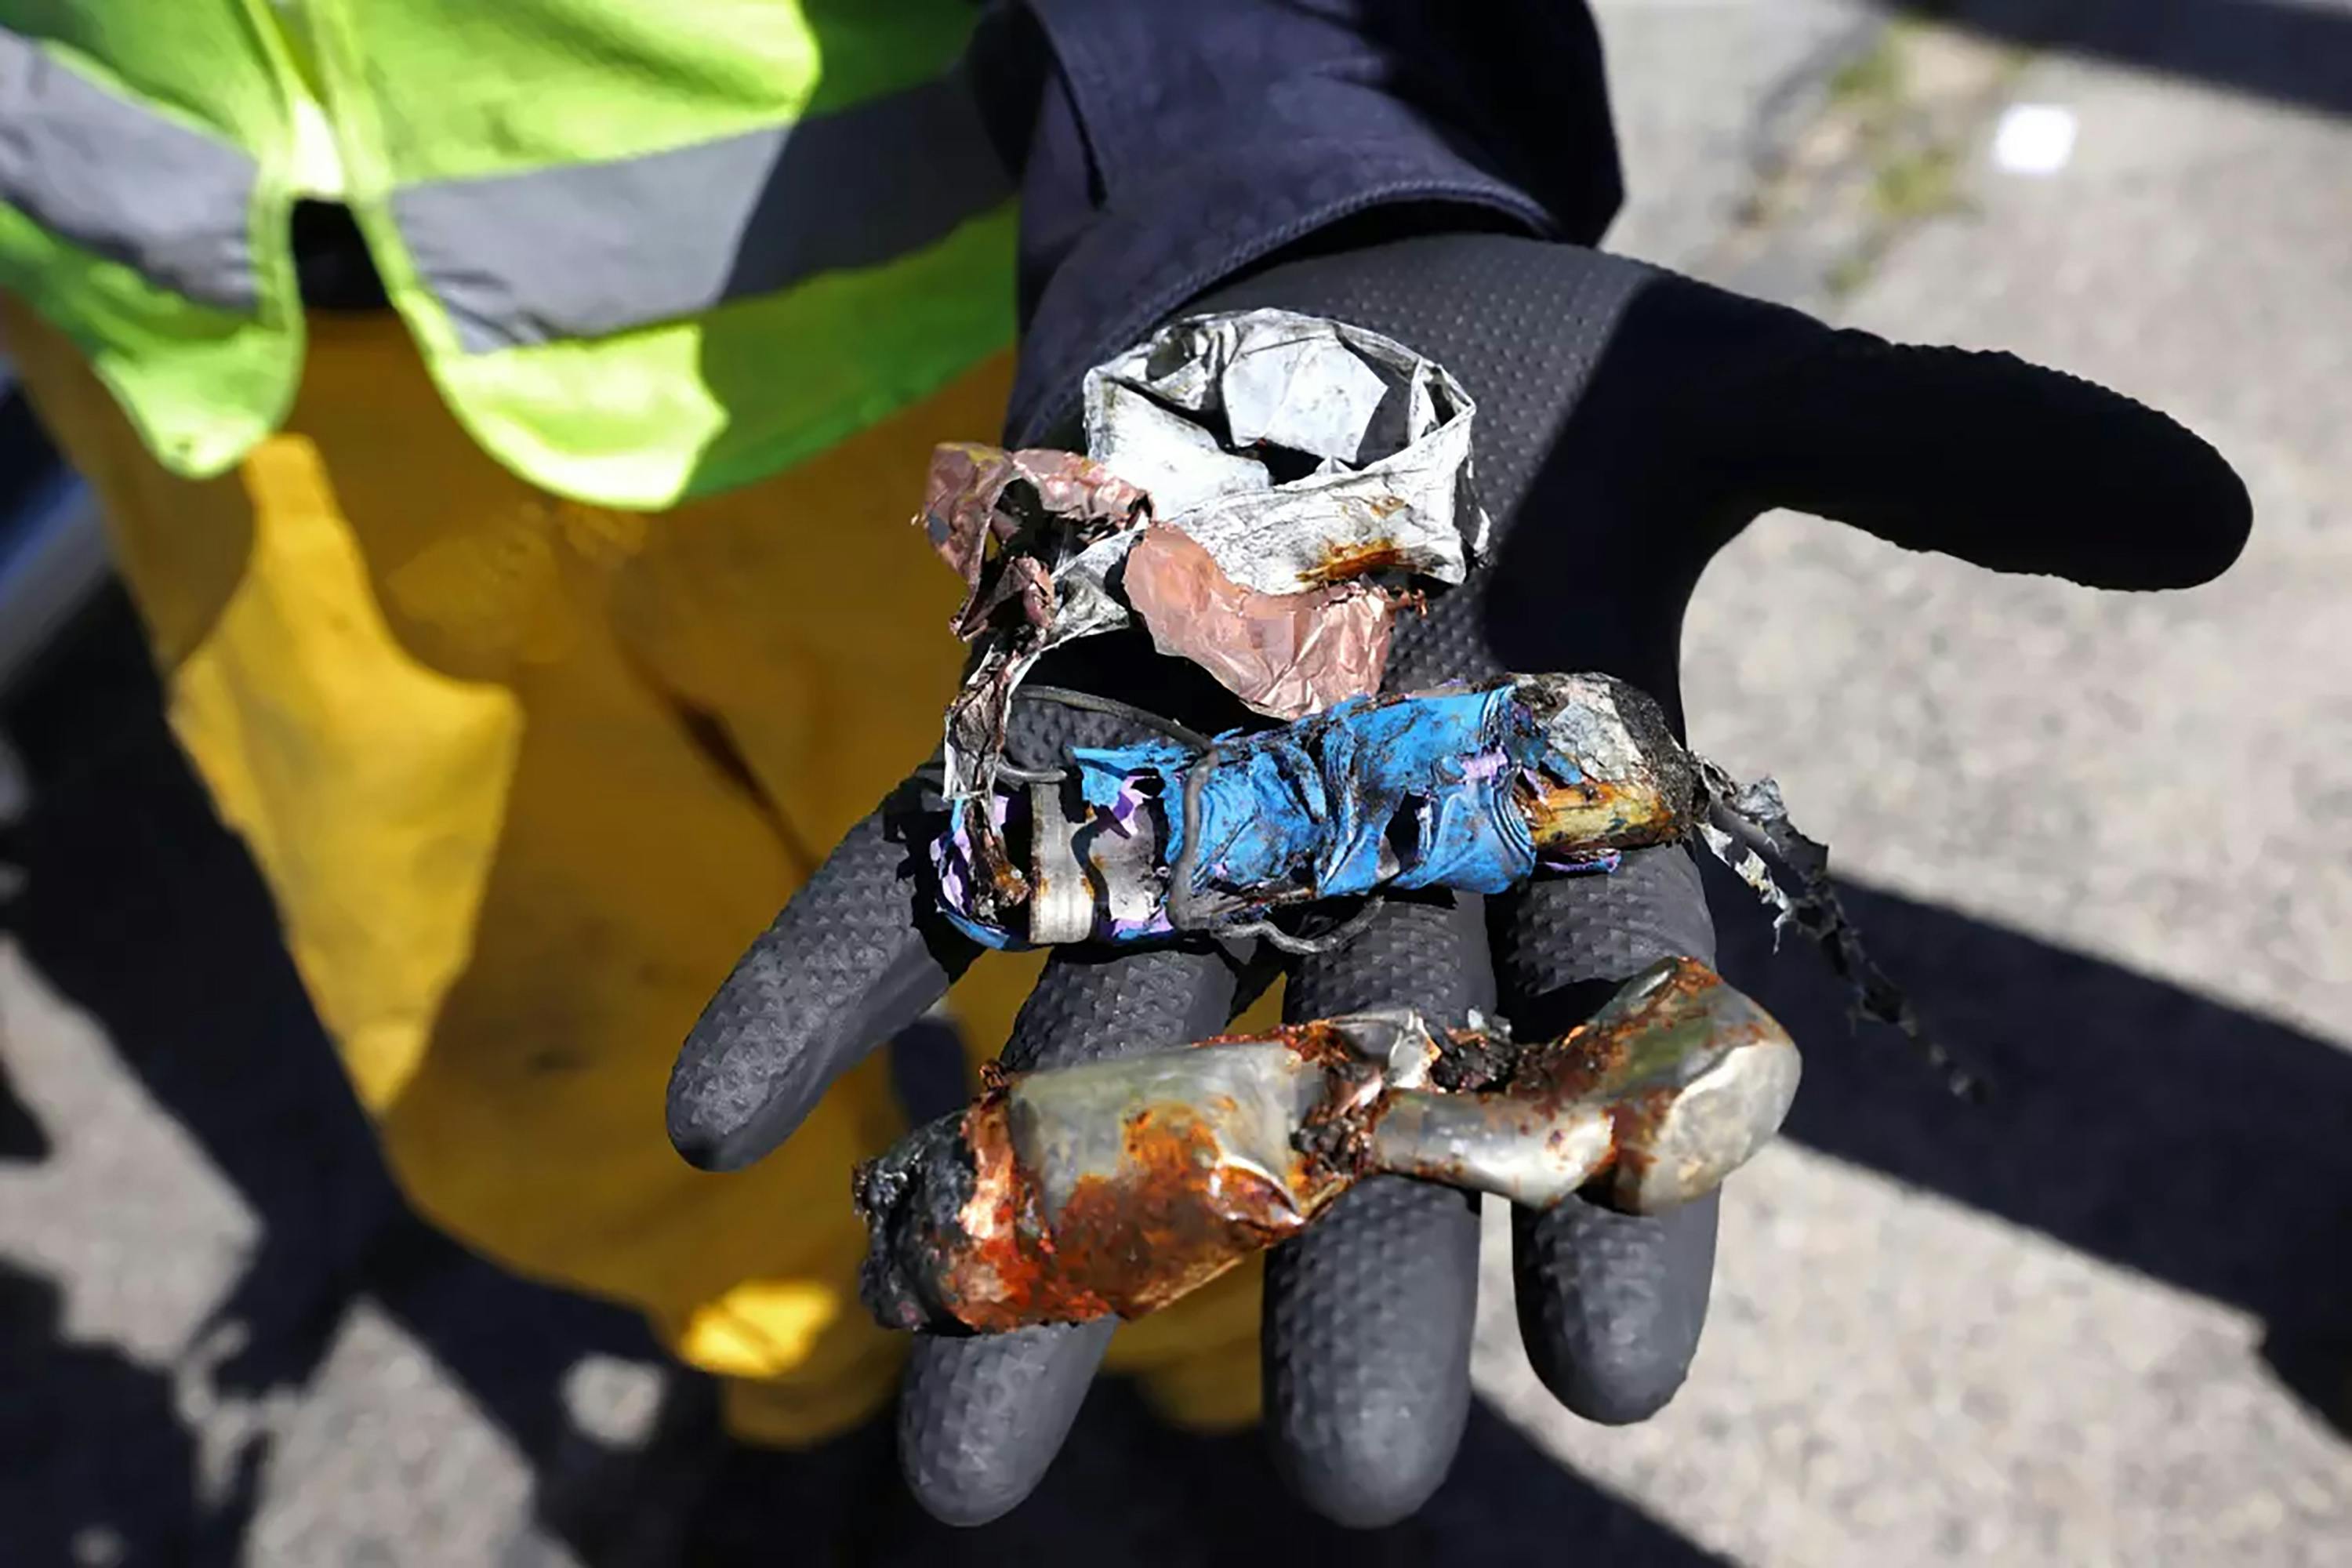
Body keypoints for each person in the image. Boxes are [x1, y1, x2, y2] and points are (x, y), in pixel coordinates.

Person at [2, 0, 2248, 1533]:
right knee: (530, 1034)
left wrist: (1300, 146)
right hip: (220, 387)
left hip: (942, 336)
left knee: (1018, 1017)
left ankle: (1186, 1377)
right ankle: (779, 1393)